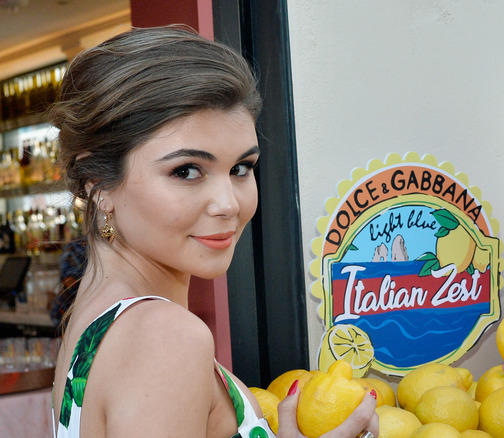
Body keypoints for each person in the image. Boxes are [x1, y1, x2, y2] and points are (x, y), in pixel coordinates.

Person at [48, 26, 379, 438]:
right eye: (186, 171)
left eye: (241, 168)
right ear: (98, 183)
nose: (228, 204)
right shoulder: (164, 337)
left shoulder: (91, 320)